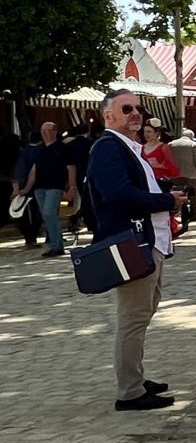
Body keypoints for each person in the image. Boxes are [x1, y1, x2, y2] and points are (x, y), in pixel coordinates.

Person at [87, 89, 185, 412]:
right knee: (132, 318)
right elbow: (117, 195)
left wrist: (165, 193)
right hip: (132, 244)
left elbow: (137, 189)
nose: (135, 113)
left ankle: (136, 378)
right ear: (109, 116)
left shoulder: (130, 148)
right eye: (126, 108)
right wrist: (166, 201)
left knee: (142, 314)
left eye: (138, 108)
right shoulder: (107, 148)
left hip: (150, 241)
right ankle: (129, 391)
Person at [22, 119, 76, 257]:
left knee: (48, 213)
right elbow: (34, 170)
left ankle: (56, 245)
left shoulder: (62, 148)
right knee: (48, 216)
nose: (45, 134)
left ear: (55, 131)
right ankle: (56, 245)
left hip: (55, 186)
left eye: (48, 131)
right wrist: (27, 189)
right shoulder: (39, 149)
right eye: (43, 131)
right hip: (39, 187)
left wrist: (72, 187)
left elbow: (70, 167)